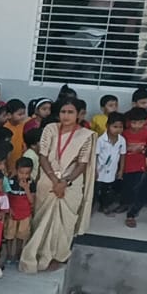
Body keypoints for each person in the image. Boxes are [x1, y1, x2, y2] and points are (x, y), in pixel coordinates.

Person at [20, 99, 96, 274]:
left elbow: (82, 163)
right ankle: (37, 254)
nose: (66, 116)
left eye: (70, 112)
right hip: (48, 180)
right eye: (63, 112)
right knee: (42, 220)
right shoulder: (50, 129)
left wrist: (65, 182)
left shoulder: (86, 135)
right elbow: (43, 156)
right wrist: (55, 181)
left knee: (65, 222)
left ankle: (57, 256)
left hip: (71, 183)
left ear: (78, 114)